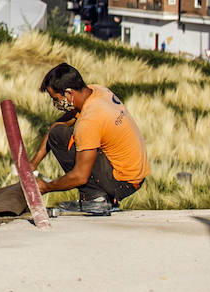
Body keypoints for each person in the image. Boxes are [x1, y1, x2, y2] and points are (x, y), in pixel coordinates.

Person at [30, 63, 149, 215]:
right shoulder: (97, 91)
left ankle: (96, 200)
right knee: (57, 133)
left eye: (56, 99)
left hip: (123, 182)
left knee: (60, 138)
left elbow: (79, 176)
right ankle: (104, 197)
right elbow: (57, 126)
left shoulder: (89, 121)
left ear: (68, 93)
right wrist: (33, 164)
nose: (55, 104)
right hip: (136, 175)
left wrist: (46, 187)